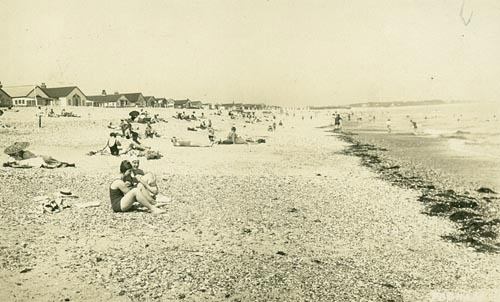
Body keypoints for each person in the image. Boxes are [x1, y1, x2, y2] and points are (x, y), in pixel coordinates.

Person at [5, 142, 75, 168]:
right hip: (38, 158)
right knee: (51, 161)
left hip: (38, 158)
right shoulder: (16, 157)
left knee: (51, 161)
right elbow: (14, 164)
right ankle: (66, 164)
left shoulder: (22, 154)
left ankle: (65, 164)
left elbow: (15, 164)